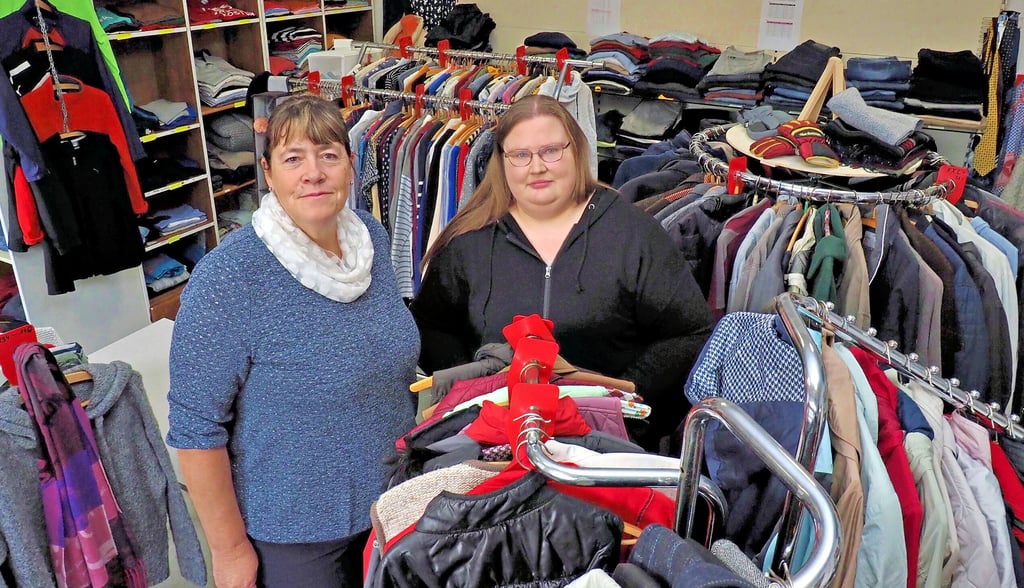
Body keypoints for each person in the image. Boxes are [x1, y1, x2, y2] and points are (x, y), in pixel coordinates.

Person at [166, 95, 419, 588]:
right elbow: (196, 433)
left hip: (390, 505)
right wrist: (231, 551)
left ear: (350, 164)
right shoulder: (231, 276)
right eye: (293, 158)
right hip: (294, 532)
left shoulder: (369, 239)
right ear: (268, 172)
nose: (314, 173)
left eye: (328, 154)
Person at [410, 94, 713, 451]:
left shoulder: (631, 233)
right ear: (502, 162)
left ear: (576, 151)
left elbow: (689, 333)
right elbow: (432, 327)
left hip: (604, 451)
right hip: (495, 445)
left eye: (551, 150)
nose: (536, 167)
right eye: (521, 155)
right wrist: (481, 391)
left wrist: (615, 396)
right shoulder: (470, 242)